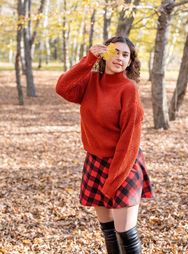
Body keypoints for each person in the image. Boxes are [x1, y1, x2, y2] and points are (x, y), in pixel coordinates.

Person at [55, 36, 154, 254]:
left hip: (124, 164)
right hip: (95, 162)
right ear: (105, 54)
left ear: (130, 62)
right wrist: (88, 59)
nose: (120, 57)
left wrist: (114, 179)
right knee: (108, 231)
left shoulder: (128, 89)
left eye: (125, 54)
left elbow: (130, 139)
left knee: (125, 234)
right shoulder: (91, 82)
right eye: (115, 52)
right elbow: (62, 88)